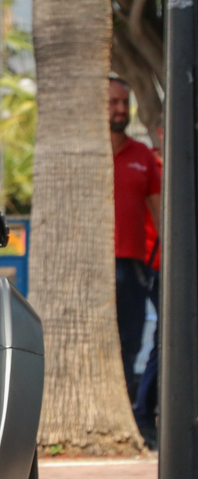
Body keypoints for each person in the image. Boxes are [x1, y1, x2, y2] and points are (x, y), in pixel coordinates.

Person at [110, 76, 162, 407]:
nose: (119, 109)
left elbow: (160, 214)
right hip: (93, 268)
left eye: (123, 103)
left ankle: (136, 412)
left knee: (130, 343)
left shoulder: (142, 155)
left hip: (133, 267)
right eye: (112, 102)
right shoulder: (83, 156)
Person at [134, 124, 164, 447]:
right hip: (145, 264)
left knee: (162, 340)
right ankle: (142, 413)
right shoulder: (149, 163)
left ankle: (145, 411)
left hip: (162, 266)